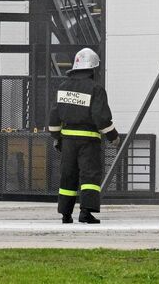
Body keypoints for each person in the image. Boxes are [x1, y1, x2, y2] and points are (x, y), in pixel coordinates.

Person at [49, 47, 118, 224]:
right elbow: (101, 118)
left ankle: (65, 214)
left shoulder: (63, 87)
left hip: (68, 142)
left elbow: (55, 115)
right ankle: (86, 213)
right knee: (89, 177)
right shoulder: (96, 89)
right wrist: (114, 137)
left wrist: (57, 137)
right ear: (93, 69)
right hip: (88, 141)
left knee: (68, 175)